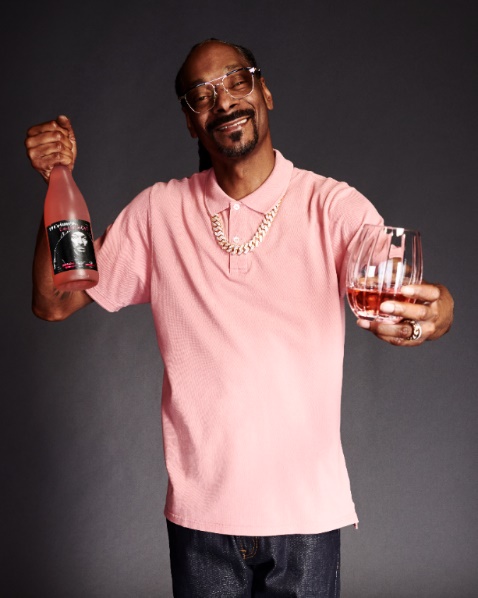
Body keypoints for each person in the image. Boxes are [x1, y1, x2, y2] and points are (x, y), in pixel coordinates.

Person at [25, 38, 454, 597]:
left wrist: (435, 311)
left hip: (306, 519)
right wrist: (58, 180)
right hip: (201, 520)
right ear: (189, 121)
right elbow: (54, 300)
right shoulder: (158, 212)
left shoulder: (331, 205)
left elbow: (393, 274)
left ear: (264, 91)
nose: (224, 101)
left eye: (236, 81)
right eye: (202, 95)